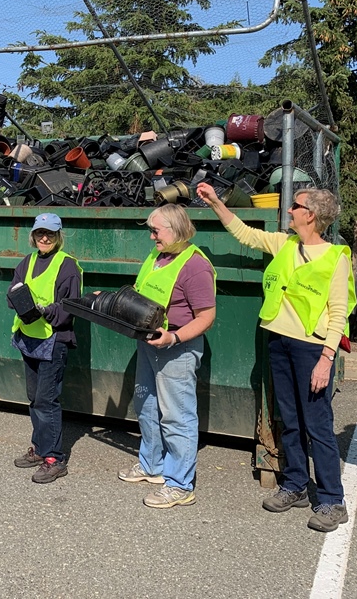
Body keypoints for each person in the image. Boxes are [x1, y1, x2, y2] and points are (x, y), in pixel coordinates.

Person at [196, 183, 355, 531]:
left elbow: (339, 311)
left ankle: (332, 500)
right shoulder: (286, 244)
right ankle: (296, 485)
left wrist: (326, 359)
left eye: (296, 206)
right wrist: (215, 204)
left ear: (310, 215)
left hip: (312, 349)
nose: (290, 211)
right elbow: (244, 234)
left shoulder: (335, 257)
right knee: (291, 420)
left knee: (318, 425)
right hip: (279, 342)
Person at [117, 203, 216, 509]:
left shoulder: (195, 265)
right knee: (146, 406)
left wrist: (173, 337)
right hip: (148, 344)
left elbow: (206, 316)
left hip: (176, 348)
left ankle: (180, 485)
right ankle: (153, 466)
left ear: (175, 230)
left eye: (155, 231)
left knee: (177, 416)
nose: (151, 237)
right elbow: (139, 291)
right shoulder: (157, 257)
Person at [8, 213, 82, 484]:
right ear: (33, 235)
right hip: (28, 338)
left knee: (46, 400)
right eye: (40, 233)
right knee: (34, 396)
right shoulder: (26, 262)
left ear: (58, 236)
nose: (44, 238)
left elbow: (70, 307)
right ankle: (39, 450)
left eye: (50, 234)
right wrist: (21, 303)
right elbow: (12, 291)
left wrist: (46, 311)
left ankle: (55, 458)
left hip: (53, 341)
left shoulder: (68, 266)